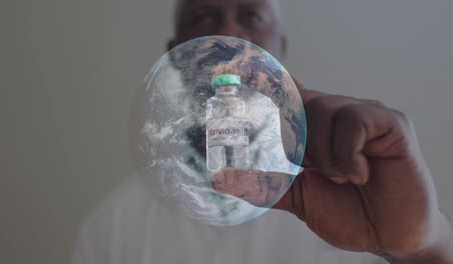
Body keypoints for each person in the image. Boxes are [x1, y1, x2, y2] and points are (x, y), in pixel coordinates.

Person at [72, 0, 453, 263]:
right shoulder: (114, 227)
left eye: (251, 15)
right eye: (204, 17)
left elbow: (422, 251)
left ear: (279, 50)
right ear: (175, 56)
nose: (227, 37)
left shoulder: (359, 193)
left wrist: (424, 248)